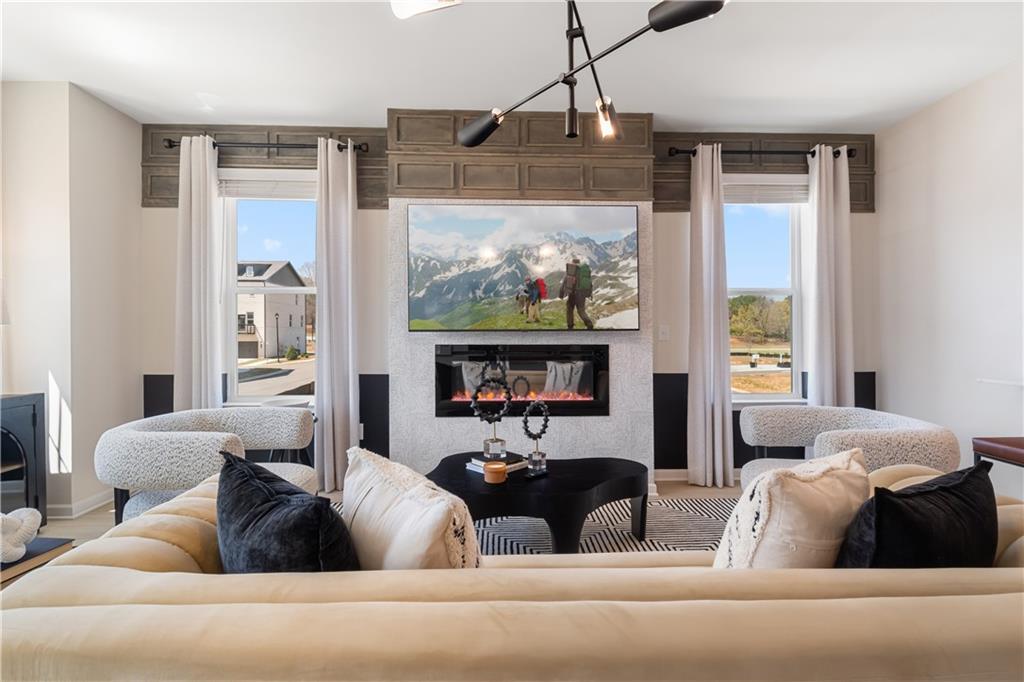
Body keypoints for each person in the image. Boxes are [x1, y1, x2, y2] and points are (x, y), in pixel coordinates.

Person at [558, 258, 594, 330]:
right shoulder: (584, 271)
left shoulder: (571, 270)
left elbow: (564, 282)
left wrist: (561, 294)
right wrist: (589, 293)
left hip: (573, 293)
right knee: (581, 310)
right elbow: (590, 283)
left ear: (573, 263)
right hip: (582, 293)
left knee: (570, 308)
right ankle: (589, 323)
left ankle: (570, 325)